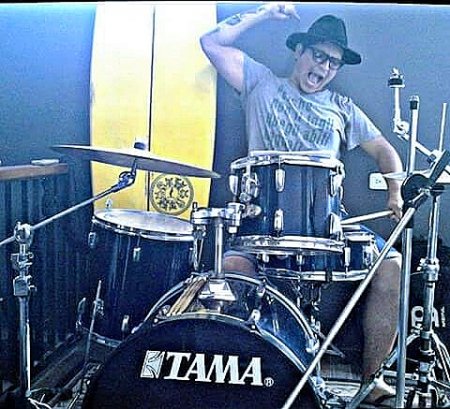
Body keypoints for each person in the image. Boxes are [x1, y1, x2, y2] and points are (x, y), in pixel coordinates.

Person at [200, 3, 404, 407]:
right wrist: (263, 13)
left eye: (333, 63)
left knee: (391, 265)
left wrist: (394, 191)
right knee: (232, 268)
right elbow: (211, 43)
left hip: (326, 224)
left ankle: (372, 380)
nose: (323, 68)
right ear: (299, 51)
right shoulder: (259, 83)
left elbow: (385, 150)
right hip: (261, 223)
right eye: (318, 56)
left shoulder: (342, 107)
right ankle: (247, 375)